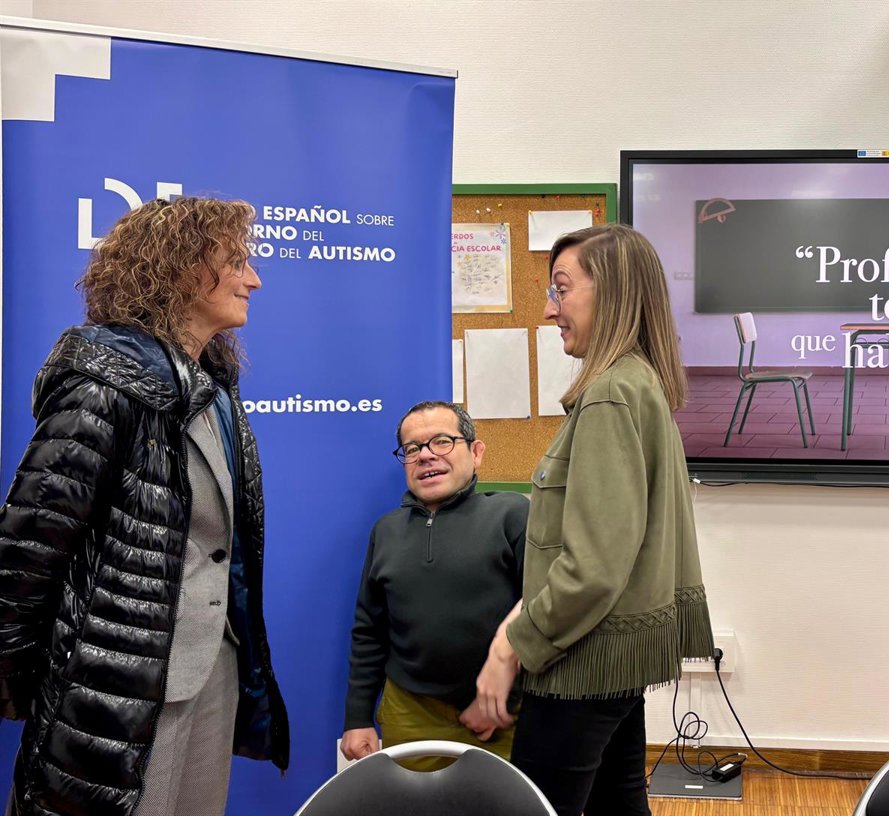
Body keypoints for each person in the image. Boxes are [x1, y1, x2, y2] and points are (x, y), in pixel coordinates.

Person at [0, 197, 289, 816]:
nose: (254, 279)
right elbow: (31, 542)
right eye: (236, 261)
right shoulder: (101, 383)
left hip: (213, 671)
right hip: (122, 681)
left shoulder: (214, 389)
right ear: (182, 267)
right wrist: (20, 679)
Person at [474, 224, 715, 815]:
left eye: (561, 290)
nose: (549, 309)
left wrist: (510, 648)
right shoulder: (638, 382)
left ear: (613, 293)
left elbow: (593, 568)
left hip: (582, 662)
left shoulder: (610, 394)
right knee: (618, 803)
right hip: (613, 656)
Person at [340, 401, 528, 771]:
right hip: (410, 711)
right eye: (412, 448)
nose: (426, 455)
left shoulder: (513, 515)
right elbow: (369, 631)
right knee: (413, 800)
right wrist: (357, 717)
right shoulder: (386, 531)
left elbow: (543, 607)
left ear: (476, 452)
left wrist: (502, 697)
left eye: (442, 441)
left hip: (503, 712)